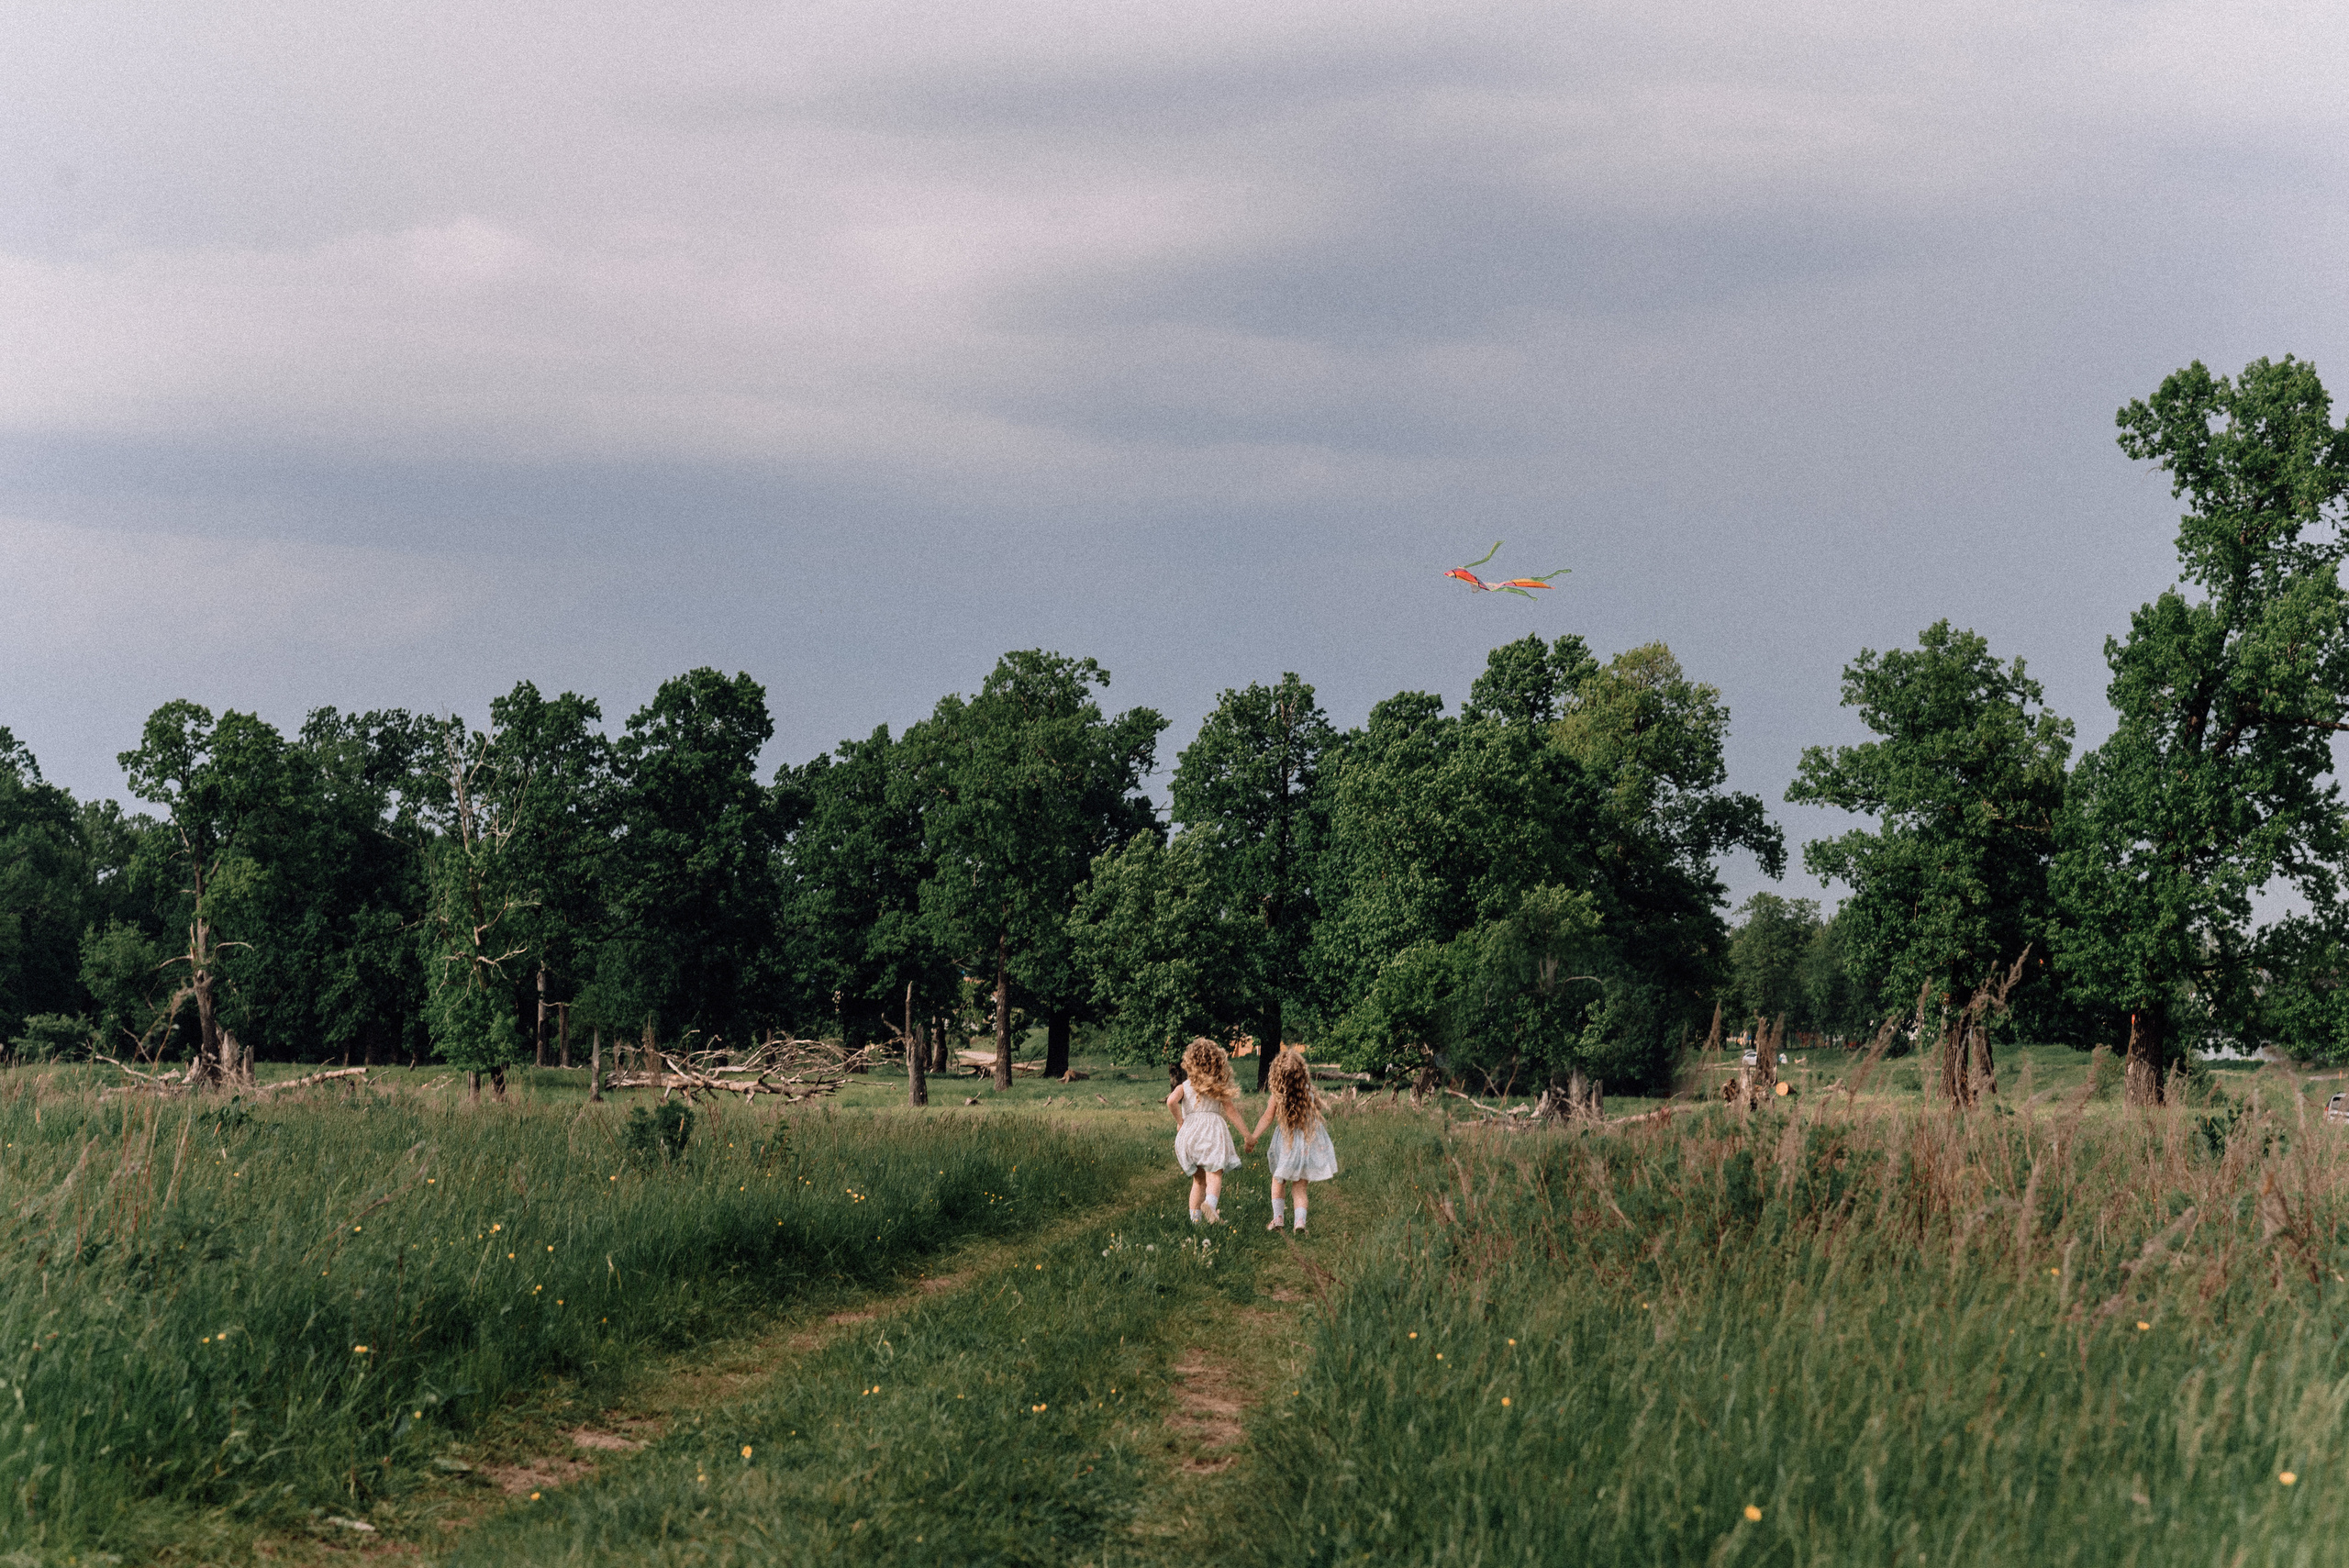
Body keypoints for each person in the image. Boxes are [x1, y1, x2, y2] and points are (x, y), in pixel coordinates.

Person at [1246, 1043, 1338, 1233]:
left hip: (1287, 1144)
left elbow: (1267, 1118)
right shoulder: (1308, 1092)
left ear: (1277, 1075)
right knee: (1300, 1187)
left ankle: (1278, 1218)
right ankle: (1300, 1223)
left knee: (1278, 1180)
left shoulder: (1277, 1096)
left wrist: (1253, 1137)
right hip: (1306, 1144)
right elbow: (1317, 1110)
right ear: (1301, 1072)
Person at [1167, 1037, 1248, 1224]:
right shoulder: (1217, 1087)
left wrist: (1180, 1122)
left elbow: (1171, 1101)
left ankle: (1196, 1223)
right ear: (1217, 1062)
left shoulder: (1184, 1086)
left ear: (1190, 1063)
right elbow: (1232, 1112)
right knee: (1214, 1174)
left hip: (1189, 1136)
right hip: (1210, 1134)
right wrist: (1248, 1136)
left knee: (1198, 1181)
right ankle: (1210, 1205)